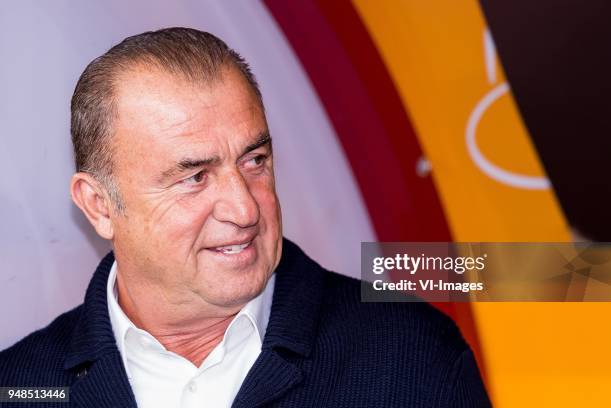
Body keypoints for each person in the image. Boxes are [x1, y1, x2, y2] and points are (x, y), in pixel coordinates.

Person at [0, 27, 491, 407]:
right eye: (194, 177)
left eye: (255, 161)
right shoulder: (18, 385)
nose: (245, 208)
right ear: (99, 205)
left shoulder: (411, 358)